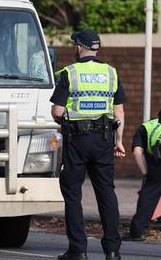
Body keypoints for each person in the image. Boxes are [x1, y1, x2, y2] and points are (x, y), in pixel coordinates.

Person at [50, 29, 126, 260]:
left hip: (77, 141)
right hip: (104, 140)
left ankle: (78, 249)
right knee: (106, 192)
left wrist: (60, 119)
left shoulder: (69, 73)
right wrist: (119, 141)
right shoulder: (110, 73)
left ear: (79, 47)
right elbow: (119, 111)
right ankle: (112, 250)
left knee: (73, 193)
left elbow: (58, 111)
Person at [124, 118, 161, 241]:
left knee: (150, 191)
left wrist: (146, 173)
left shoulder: (145, 127)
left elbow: (137, 152)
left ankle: (137, 232)